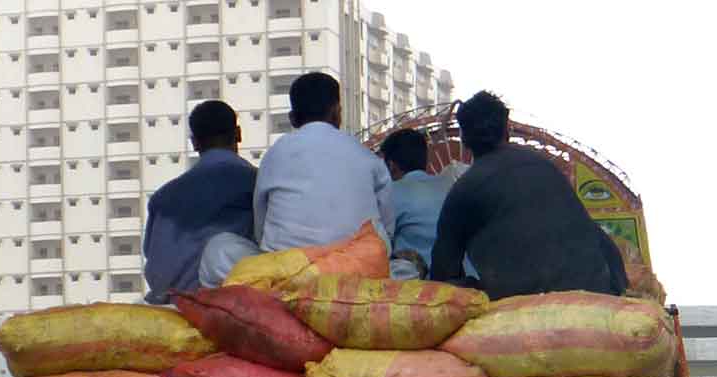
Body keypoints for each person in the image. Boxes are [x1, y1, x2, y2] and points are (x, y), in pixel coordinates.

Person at [429, 90, 627, 299]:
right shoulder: (545, 167)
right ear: (506, 129)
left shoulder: (464, 190)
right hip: (601, 294)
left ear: (464, 139)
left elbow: (442, 278)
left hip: (530, 309)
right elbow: (599, 241)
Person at [199, 72, 394, 283]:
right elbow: (387, 230)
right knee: (402, 265)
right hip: (353, 272)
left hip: (286, 274)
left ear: (292, 118)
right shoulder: (366, 156)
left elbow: (261, 228)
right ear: (337, 113)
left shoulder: (275, 154)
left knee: (218, 250)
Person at [141, 100, 256, 303]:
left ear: (194, 142)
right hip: (230, 310)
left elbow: (155, 269)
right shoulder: (257, 185)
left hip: (170, 311)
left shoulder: (162, 199)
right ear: (238, 134)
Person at [378, 128, 450, 279]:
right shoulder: (448, 185)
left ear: (391, 166)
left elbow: (377, 240)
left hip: (421, 285)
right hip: (462, 281)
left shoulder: (392, 192)